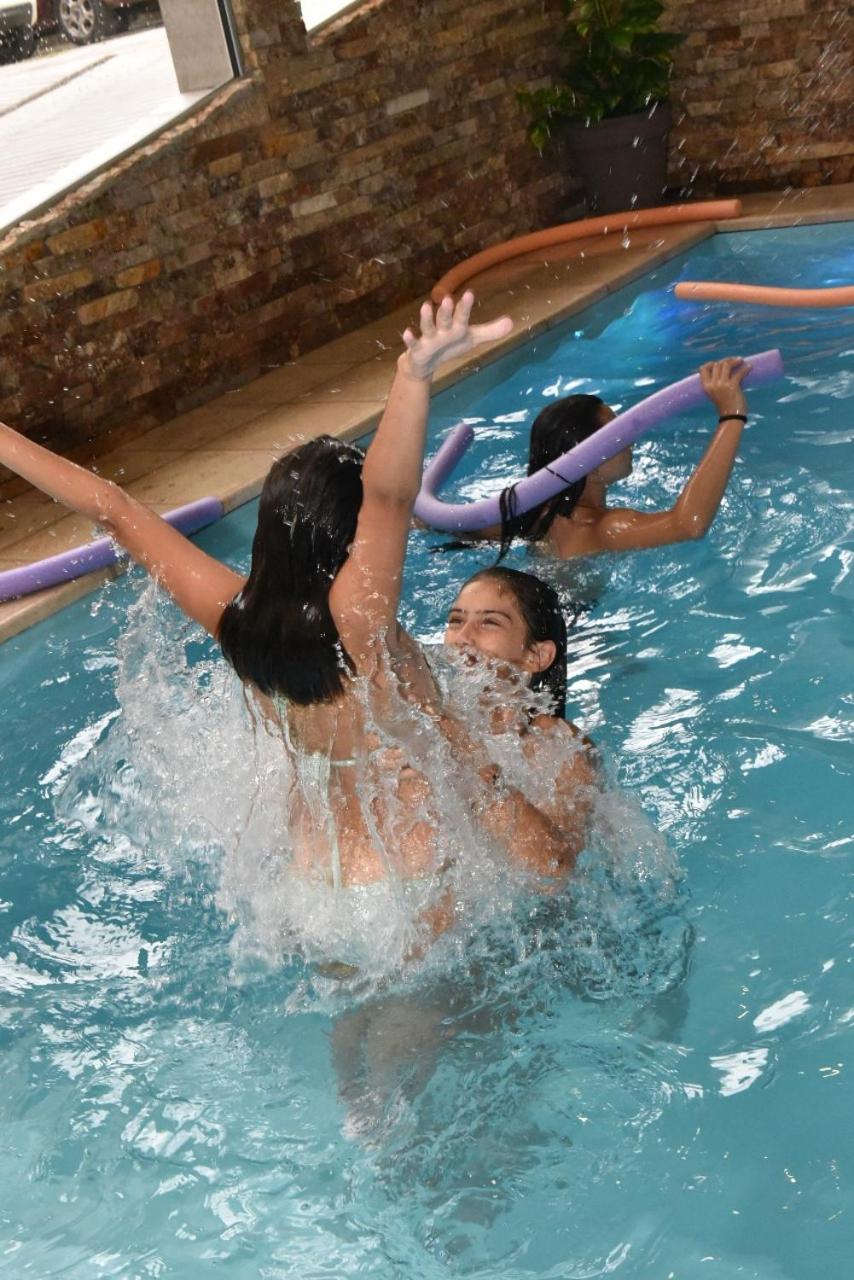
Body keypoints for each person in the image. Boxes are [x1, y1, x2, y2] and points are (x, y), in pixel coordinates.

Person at [0, 293, 596, 935]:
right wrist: (411, 377)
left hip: (312, 890)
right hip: (409, 880)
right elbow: (390, 497)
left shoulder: (239, 622)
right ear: (349, 537)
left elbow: (113, 509)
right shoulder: (357, 625)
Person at [434, 359, 752, 561]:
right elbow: (689, 524)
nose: (630, 441)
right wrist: (732, 415)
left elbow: (444, 526)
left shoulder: (527, 514)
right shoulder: (604, 528)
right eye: (617, 434)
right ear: (588, 457)